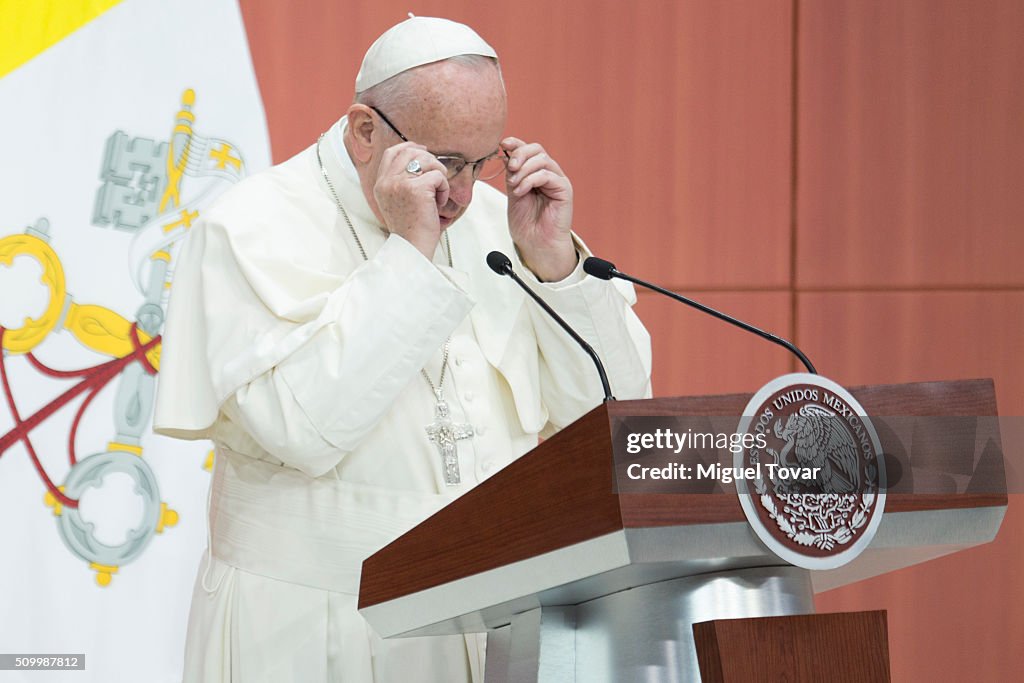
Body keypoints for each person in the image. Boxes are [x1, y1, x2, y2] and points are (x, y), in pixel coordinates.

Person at [154, 15, 651, 683]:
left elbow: (609, 424)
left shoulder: (500, 230)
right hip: (307, 630)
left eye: (482, 162)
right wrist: (409, 255)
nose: (467, 194)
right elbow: (306, 428)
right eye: (447, 162)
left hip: (486, 621)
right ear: (365, 131)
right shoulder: (247, 229)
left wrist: (555, 266)